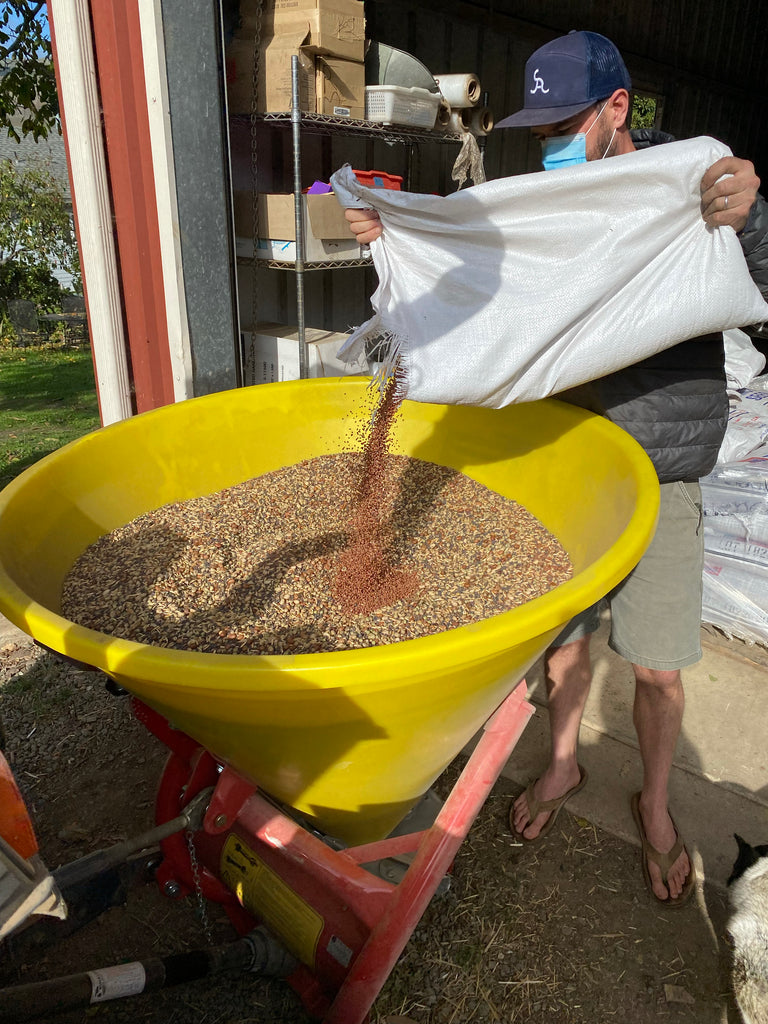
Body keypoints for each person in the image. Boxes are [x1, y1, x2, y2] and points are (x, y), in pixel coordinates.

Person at [345, 30, 768, 906]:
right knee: (566, 643)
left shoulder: (688, 189)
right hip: (562, 463)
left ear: (619, 110)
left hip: (658, 467)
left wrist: (754, 222)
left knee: (655, 664)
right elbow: (468, 278)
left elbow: (760, 285)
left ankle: (655, 804)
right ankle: (564, 765)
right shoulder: (544, 212)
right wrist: (394, 239)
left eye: (566, 125)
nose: (551, 148)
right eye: (540, 134)